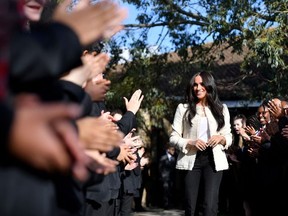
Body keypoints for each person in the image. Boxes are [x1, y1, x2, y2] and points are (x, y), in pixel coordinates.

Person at [169, 71, 232, 216]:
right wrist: (191, 142)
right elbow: (173, 137)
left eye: (202, 84)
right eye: (195, 85)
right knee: (191, 208)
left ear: (209, 85)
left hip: (213, 160)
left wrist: (221, 139)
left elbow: (228, 135)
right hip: (191, 160)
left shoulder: (222, 109)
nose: (198, 88)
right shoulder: (183, 109)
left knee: (210, 207)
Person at [158, 144, 177, 210]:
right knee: (165, 191)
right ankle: (165, 205)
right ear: (168, 150)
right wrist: (162, 176)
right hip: (165, 177)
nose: (173, 151)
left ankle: (170, 204)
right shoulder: (163, 157)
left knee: (170, 191)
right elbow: (160, 168)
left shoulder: (174, 158)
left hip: (171, 177)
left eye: (174, 150)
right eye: (172, 150)